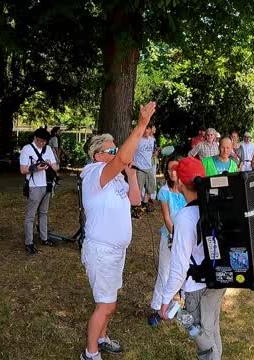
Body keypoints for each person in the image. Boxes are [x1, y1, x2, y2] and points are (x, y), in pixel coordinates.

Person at [79, 102, 155, 360]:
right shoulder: (94, 173)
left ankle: (102, 338)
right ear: (97, 155)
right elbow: (122, 156)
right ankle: (90, 353)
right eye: (110, 149)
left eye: (115, 148)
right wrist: (142, 125)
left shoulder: (117, 176)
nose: (115, 152)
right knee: (106, 304)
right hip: (101, 250)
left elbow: (135, 200)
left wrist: (130, 174)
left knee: (109, 300)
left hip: (116, 250)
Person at [159, 156, 227, 360]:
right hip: (217, 280)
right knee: (212, 329)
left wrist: (165, 299)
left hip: (197, 288)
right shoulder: (214, 206)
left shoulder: (184, 217)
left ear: (180, 182)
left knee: (203, 340)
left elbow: (179, 265)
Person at [148, 158, 187, 326]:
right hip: (170, 237)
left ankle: (185, 304)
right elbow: (166, 217)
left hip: (187, 238)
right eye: (170, 169)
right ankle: (158, 308)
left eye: (176, 168)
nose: (173, 172)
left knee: (186, 271)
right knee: (165, 271)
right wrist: (174, 235)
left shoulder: (187, 188)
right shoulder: (164, 191)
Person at [19, 128, 58, 254]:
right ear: (35, 138)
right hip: (34, 185)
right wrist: (36, 168)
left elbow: (56, 167)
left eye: (44, 142)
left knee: (44, 212)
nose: (42, 144)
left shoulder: (48, 149)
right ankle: (29, 242)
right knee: (31, 215)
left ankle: (44, 237)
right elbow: (23, 170)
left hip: (47, 184)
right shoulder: (27, 149)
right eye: (40, 141)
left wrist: (49, 164)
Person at [134, 124, 157, 210]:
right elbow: (132, 151)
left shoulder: (152, 140)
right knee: (138, 188)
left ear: (150, 130)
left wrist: (155, 153)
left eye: (147, 129)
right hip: (139, 168)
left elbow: (153, 152)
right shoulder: (137, 140)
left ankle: (145, 203)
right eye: (144, 129)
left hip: (149, 167)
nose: (145, 131)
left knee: (150, 187)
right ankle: (136, 207)